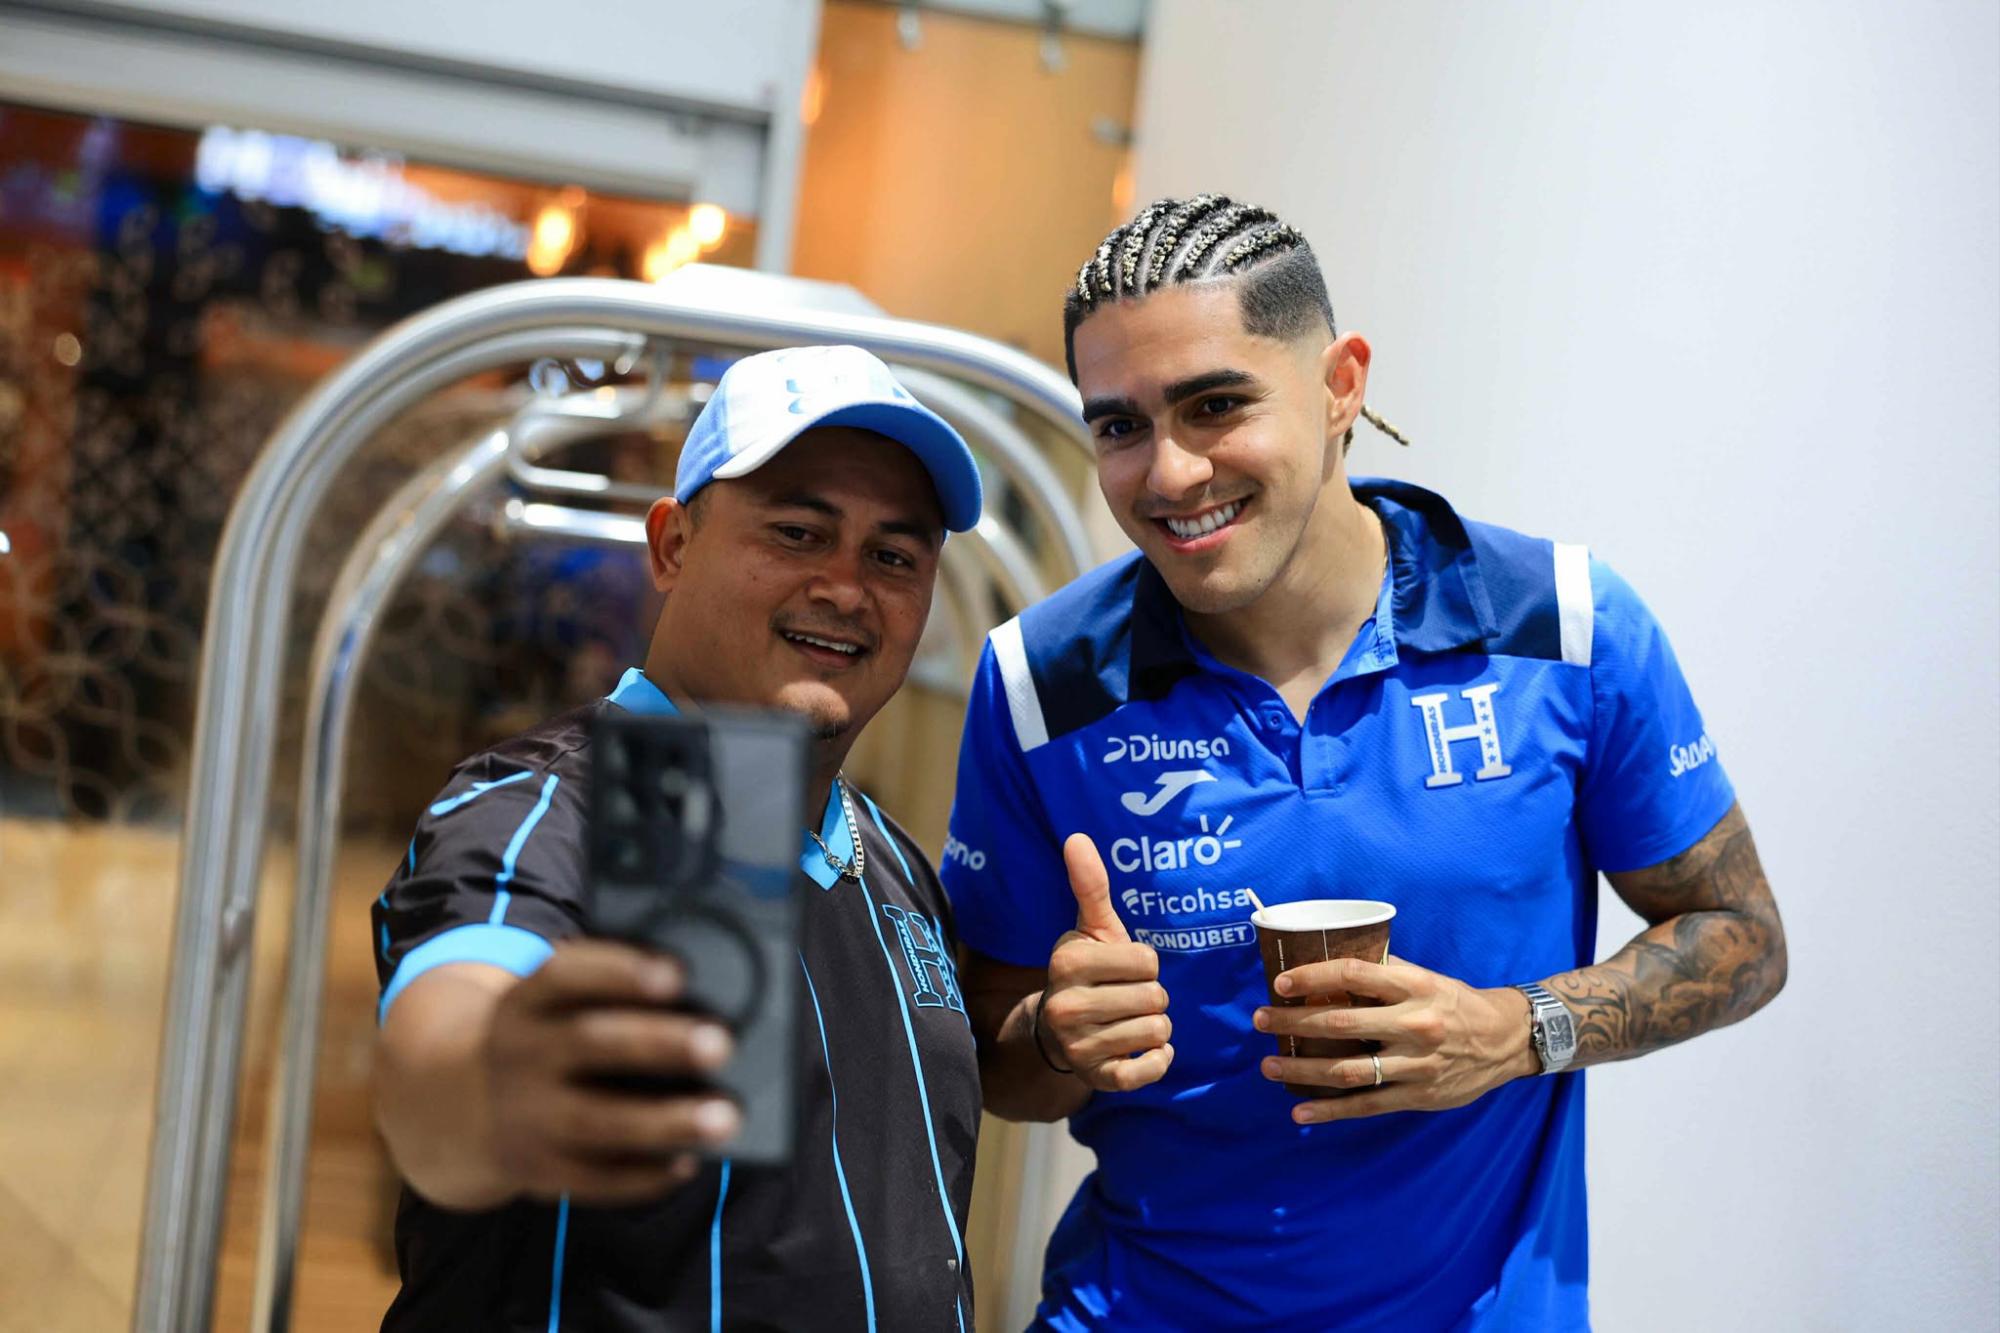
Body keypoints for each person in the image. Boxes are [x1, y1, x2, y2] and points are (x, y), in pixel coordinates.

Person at [942, 196, 1788, 1330]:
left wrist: (1511, 1030)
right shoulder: (1039, 684)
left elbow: (1739, 936)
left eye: (1214, 405)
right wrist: (1051, 1033)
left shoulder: (1564, 630)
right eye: (1119, 427)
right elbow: (991, 1057)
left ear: (1340, 384)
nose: (1170, 472)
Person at [371, 344, 985, 1331]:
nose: (844, 585)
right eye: (796, 531)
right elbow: (447, 1038)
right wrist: (497, 1078)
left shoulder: (890, 861)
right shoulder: (550, 805)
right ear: (671, 547)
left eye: (892, 556)